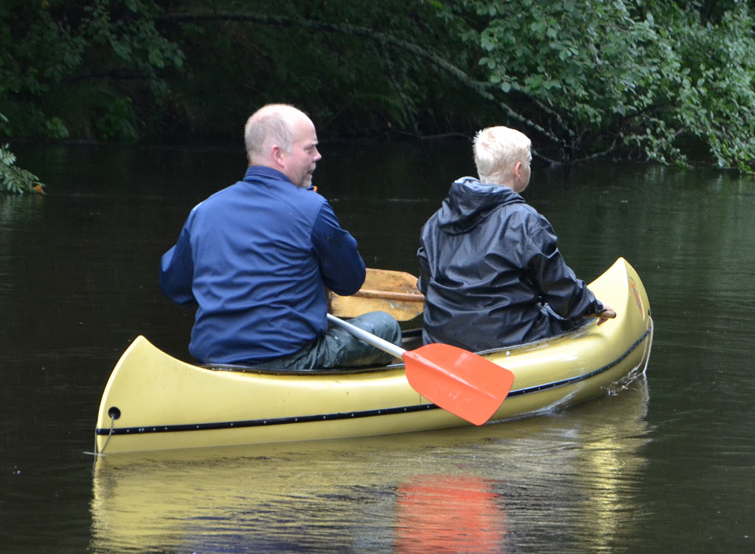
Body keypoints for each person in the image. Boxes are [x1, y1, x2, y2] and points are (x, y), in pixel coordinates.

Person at [159, 103, 401, 369]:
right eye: (310, 149)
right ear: (279, 155)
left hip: (214, 361)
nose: (318, 156)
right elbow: (350, 281)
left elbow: (176, 288)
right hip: (289, 362)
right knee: (385, 325)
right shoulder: (312, 208)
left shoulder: (203, 211)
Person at [417, 125, 615, 352]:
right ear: (519, 170)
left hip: (441, 340)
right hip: (505, 341)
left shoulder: (435, 222)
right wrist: (592, 307)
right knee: (576, 319)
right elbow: (559, 288)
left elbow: (427, 284)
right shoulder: (526, 221)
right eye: (529, 162)